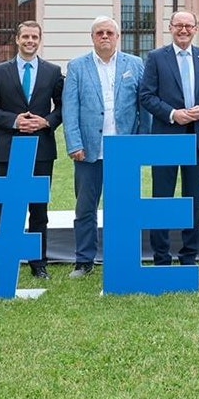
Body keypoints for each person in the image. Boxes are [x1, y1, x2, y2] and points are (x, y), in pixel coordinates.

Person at [63, 16, 150, 278]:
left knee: (124, 206)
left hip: (124, 150)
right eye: (99, 33)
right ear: (92, 37)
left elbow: (143, 106)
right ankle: (84, 261)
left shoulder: (134, 64)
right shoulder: (77, 66)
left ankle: (121, 256)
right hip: (89, 150)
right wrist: (74, 143)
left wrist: (141, 143)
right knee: (85, 208)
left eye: (109, 33)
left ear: (118, 37)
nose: (105, 36)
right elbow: (70, 109)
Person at [0, 20, 63, 280]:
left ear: (40, 40)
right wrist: (14, 121)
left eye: (34, 37)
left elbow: (63, 107)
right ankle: (1, 256)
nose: (30, 41)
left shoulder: (53, 72)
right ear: (17, 39)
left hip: (41, 148)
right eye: (25, 36)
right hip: (8, 147)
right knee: (6, 204)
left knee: (39, 208)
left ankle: (39, 263)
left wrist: (46, 121)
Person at [139, 10, 199, 267]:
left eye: (188, 26)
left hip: (195, 138)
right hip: (166, 138)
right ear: (170, 27)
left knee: (192, 200)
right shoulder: (156, 57)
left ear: (195, 28)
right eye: (179, 25)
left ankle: (189, 257)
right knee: (162, 200)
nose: (183, 30)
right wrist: (173, 114)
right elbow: (146, 96)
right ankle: (161, 257)